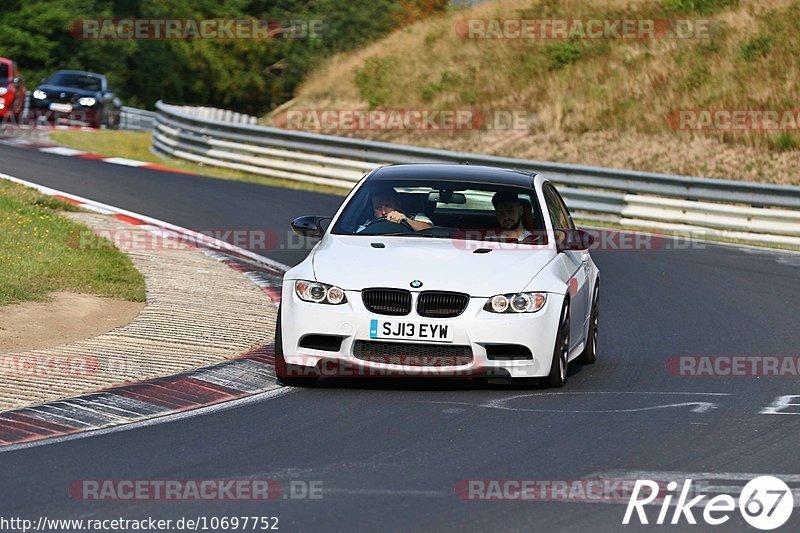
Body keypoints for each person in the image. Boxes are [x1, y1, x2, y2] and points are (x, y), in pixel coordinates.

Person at [356, 188, 432, 232]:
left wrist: (407, 220)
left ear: (398, 205)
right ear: (373, 211)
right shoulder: (367, 224)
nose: (383, 212)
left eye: (388, 206)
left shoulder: (415, 217)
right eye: (378, 208)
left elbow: (429, 230)